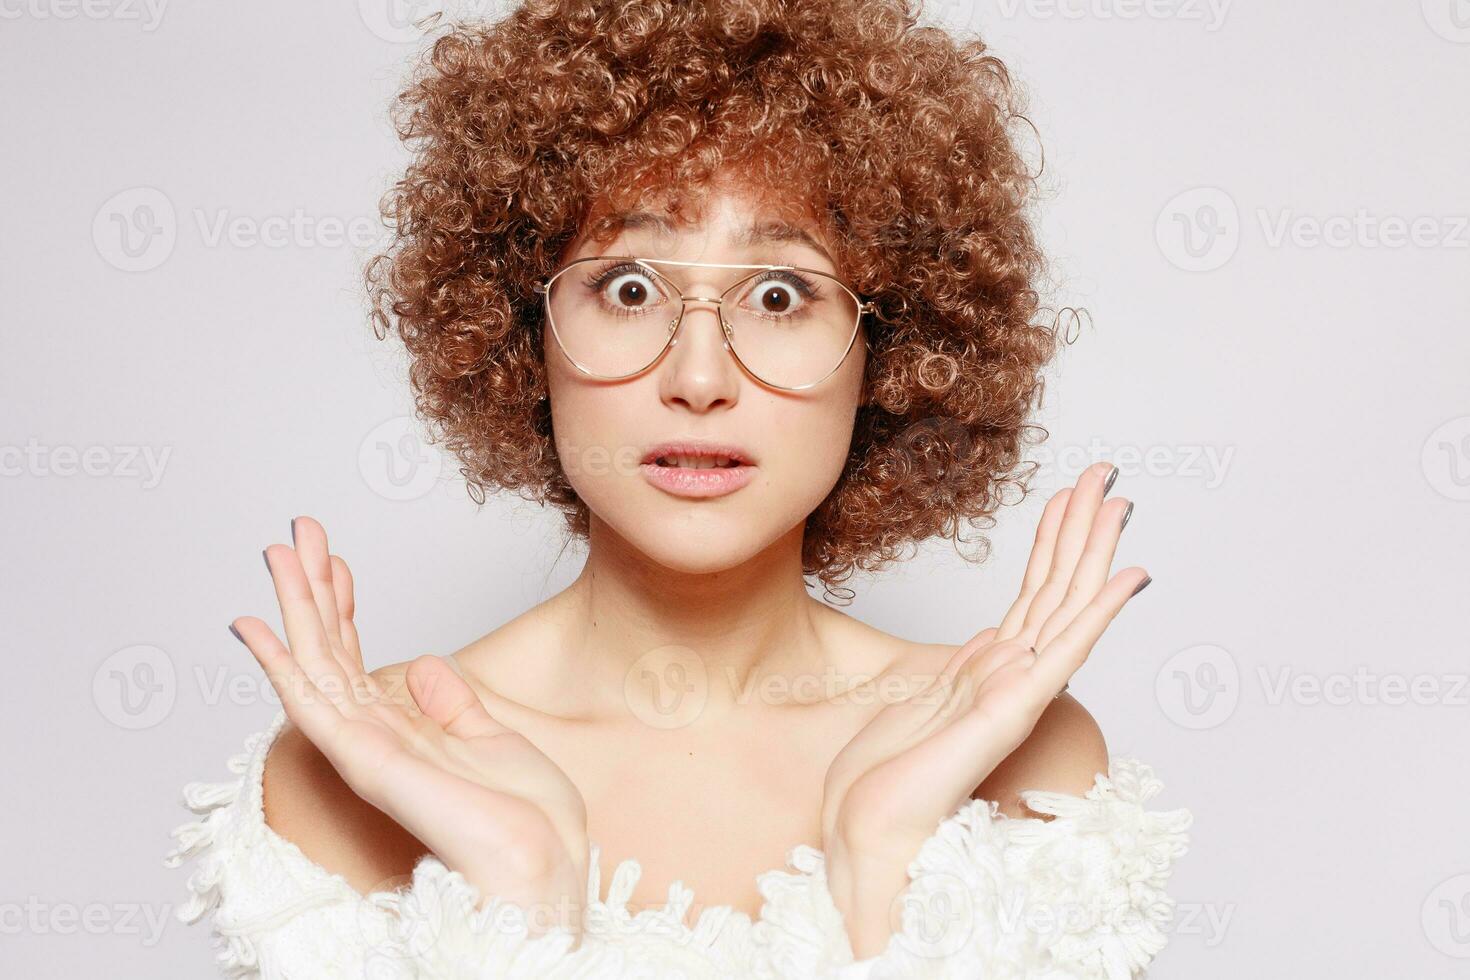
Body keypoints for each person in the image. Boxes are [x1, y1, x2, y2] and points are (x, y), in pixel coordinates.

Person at [166, 1, 1191, 976]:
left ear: (888, 350)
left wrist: (877, 865)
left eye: (781, 294)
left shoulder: (1014, 754)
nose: (698, 378)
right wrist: (522, 897)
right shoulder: (364, 771)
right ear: (522, 333)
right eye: (629, 286)